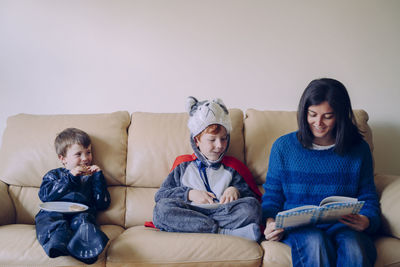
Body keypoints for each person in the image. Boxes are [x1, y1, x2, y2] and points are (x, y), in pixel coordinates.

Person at [262, 78, 381, 267]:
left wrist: (367, 220)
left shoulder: (359, 149)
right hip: (300, 228)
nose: (318, 123)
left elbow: (368, 196)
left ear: (340, 116)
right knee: (315, 242)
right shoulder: (283, 147)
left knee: (354, 248)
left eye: (328, 116)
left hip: (344, 225)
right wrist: (270, 224)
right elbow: (272, 197)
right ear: (304, 113)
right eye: (312, 114)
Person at [153, 96, 262, 241]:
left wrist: (236, 190)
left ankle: (202, 228)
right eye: (212, 139)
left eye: (223, 139)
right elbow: (161, 195)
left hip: (222, 212)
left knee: (252, 208)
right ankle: (223, 232)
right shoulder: (183, 166)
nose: (219, 145)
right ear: (197, 141)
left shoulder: (232, 168)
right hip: (190, 212)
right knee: (161, 210)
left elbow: (251, 197)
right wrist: (189, 194)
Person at [35, 128, 111, 264]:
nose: (85, 158)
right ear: (62, 159)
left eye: (88, 152)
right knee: (49, 219)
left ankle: (87, 248)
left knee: (84, 221)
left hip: (81, 213)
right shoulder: (55, 175)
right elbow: (45, 196)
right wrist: (70, 178)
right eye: (78, 154)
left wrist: (98, 178)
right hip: (54, 211)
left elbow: (102, 204)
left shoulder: (92, 177)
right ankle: (59, 243)